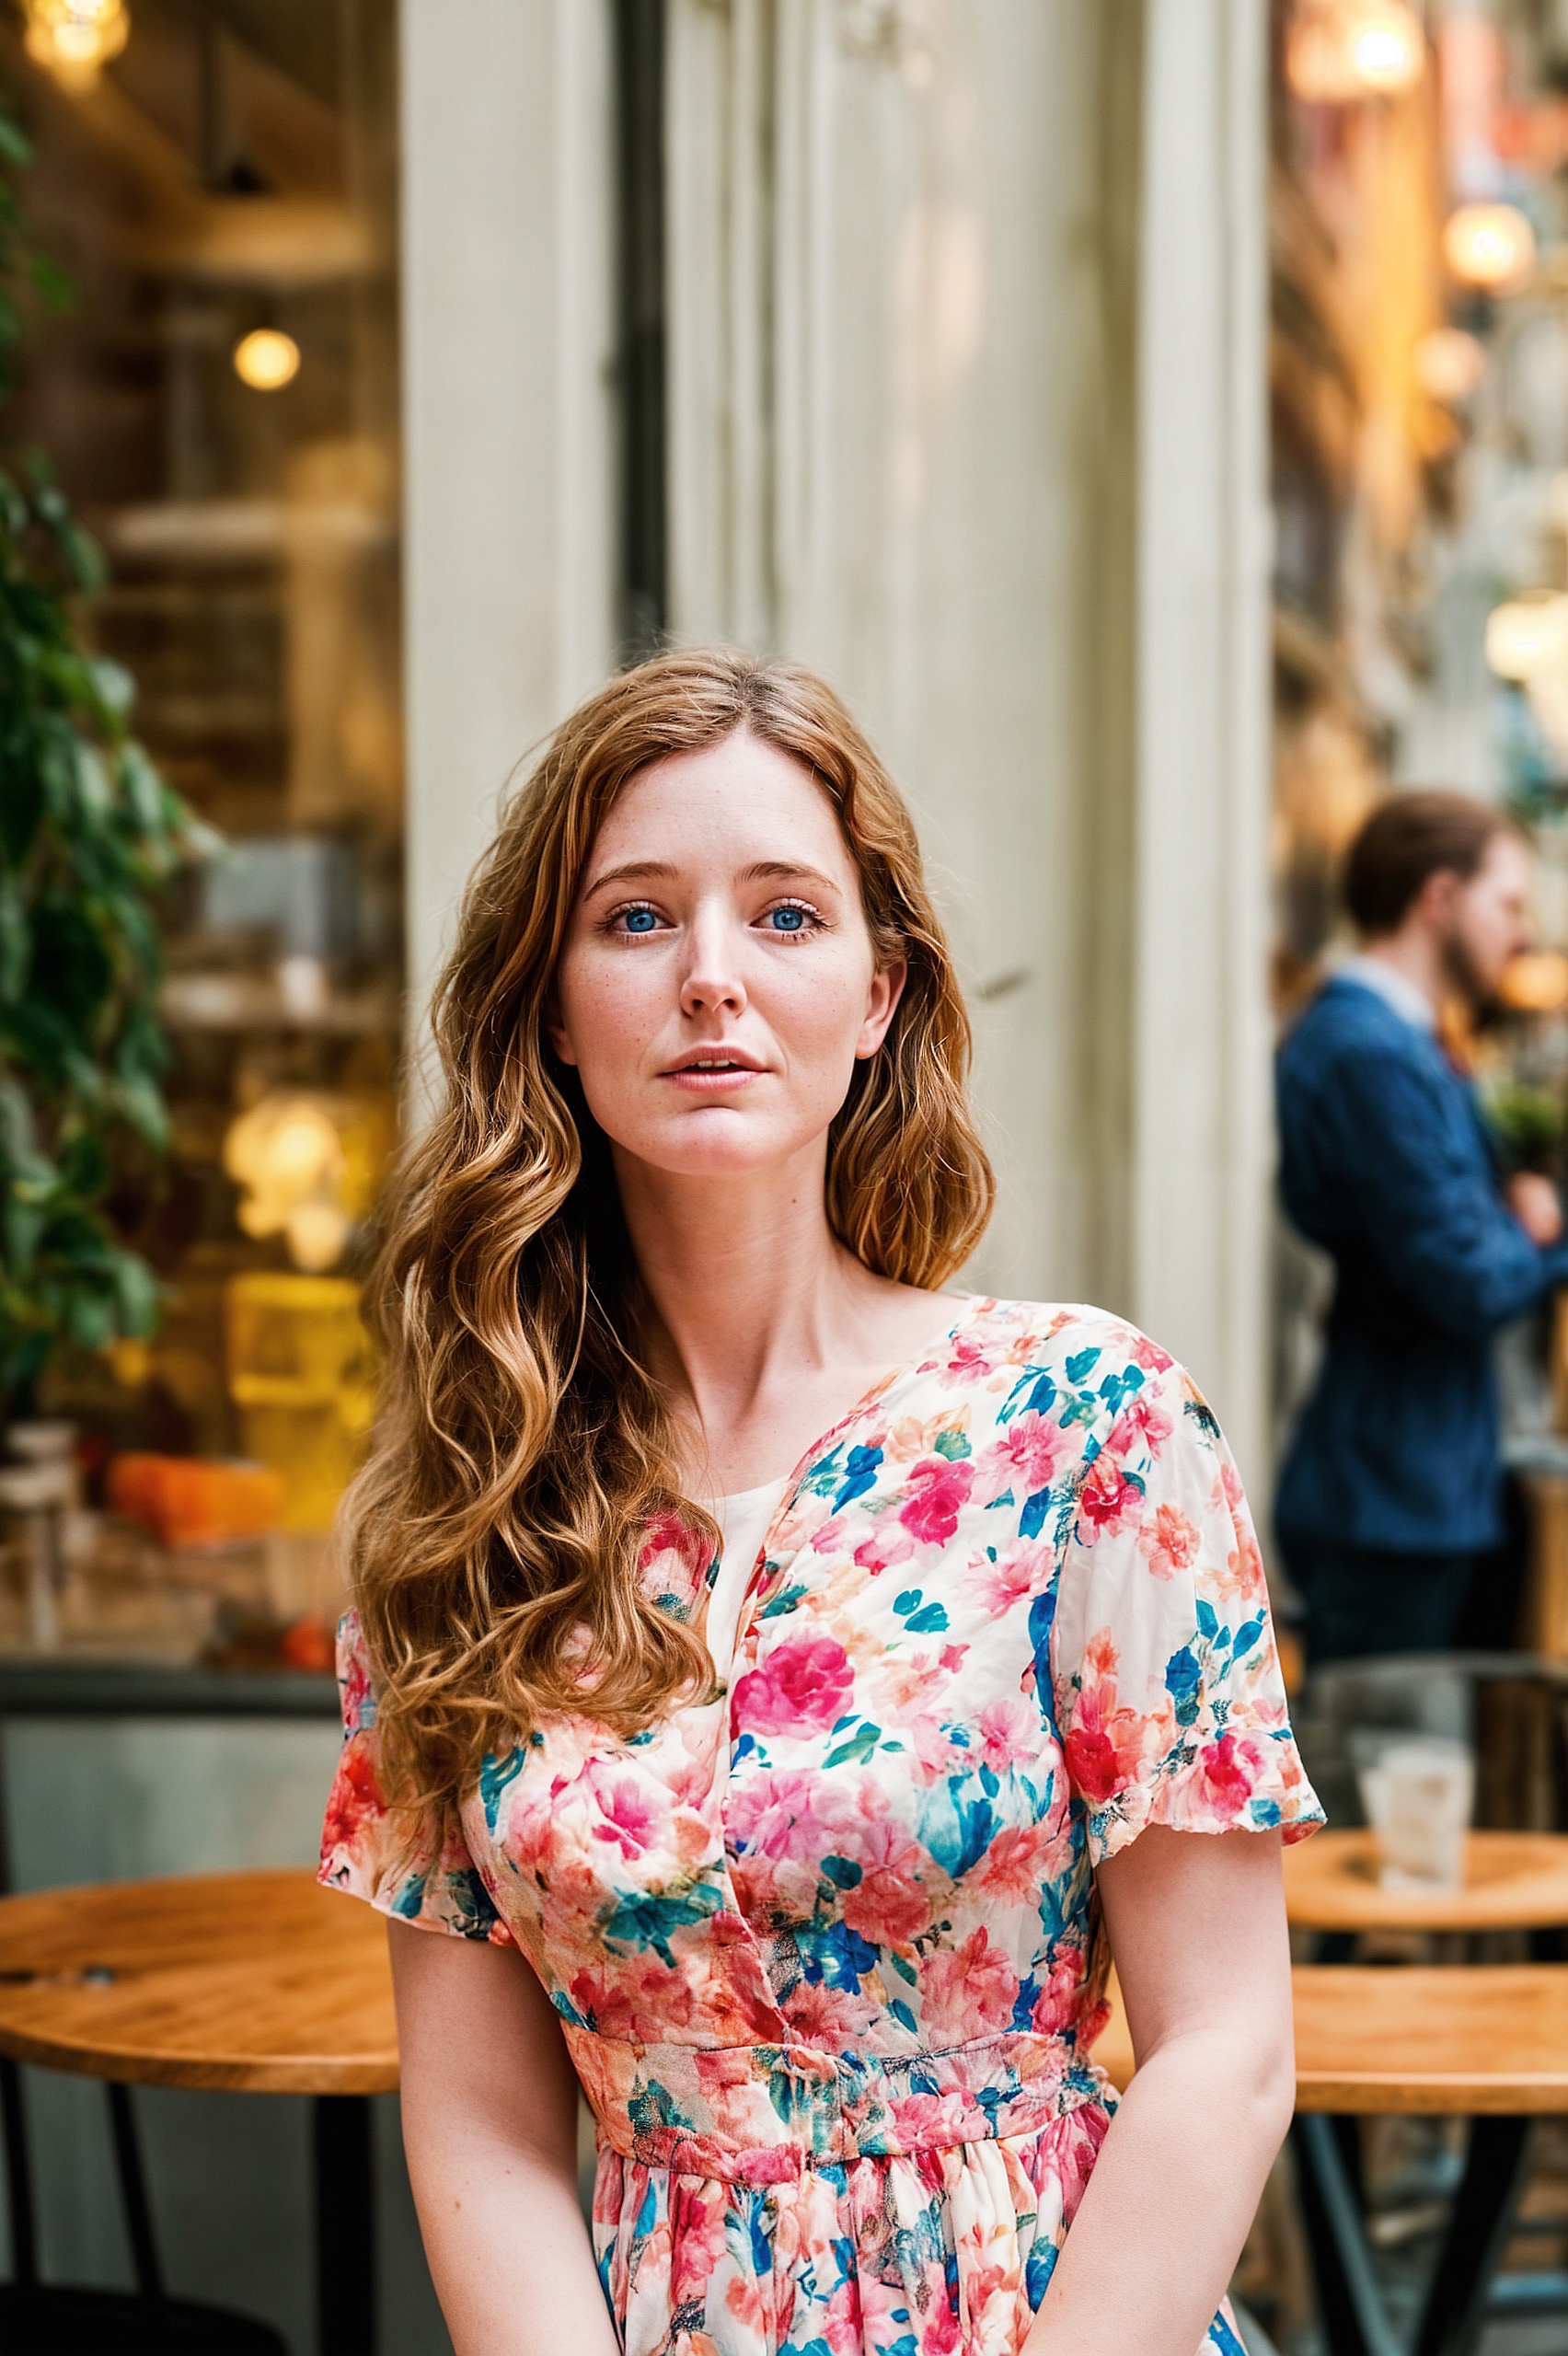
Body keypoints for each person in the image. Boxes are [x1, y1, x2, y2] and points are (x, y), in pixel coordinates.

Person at [318, 650, 1320, 2356]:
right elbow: (481, 2114)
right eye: (635, 919)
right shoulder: (464, 1504)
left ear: (876, 996)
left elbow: (1222, 2049)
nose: (710, 975)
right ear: (551, 1011)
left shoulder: (1082, 1423)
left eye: (784, 915)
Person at [1275, 790, 1568, 1668]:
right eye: (1506, 904)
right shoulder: (1367, 1048)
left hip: (1421, 1484)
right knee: (1390, 1784)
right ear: (1439, 896)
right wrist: (1549, 1234)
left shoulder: (1397, 1039)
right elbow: (1468, 1278)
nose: (1520, 935)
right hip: (1389, 1501)